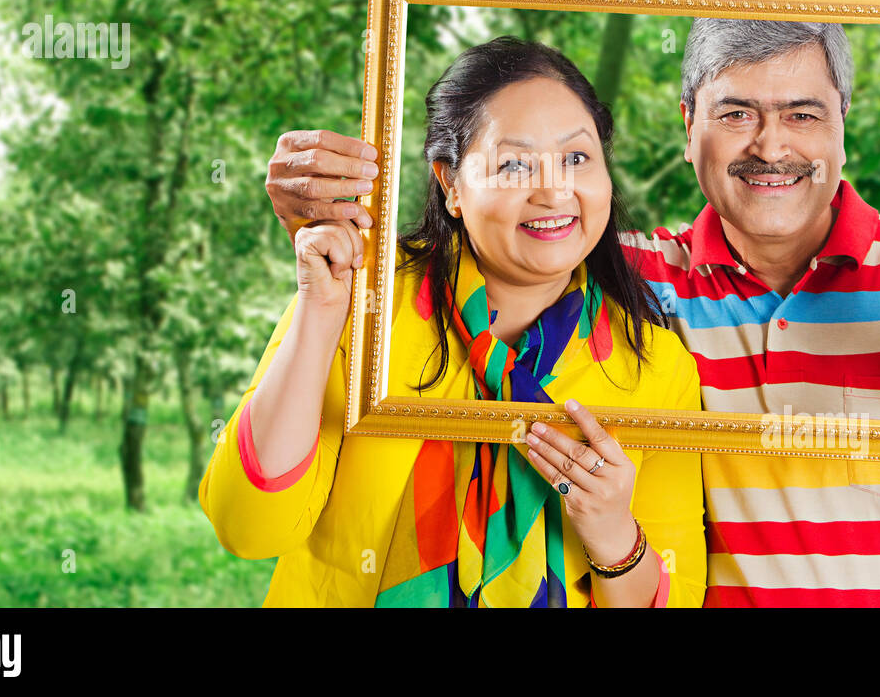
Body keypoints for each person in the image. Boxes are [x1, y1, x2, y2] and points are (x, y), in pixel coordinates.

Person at [264, 18, 880, 607]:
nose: (770, 146)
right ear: (687, 125)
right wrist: (325, 217)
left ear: (845, 128)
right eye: (736, 113)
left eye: (803, 113)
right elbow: (473, 251)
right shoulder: (626, 280)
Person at [201, 36, 706, 607]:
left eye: (576, 157)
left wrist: (613, 533)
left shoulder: (656, 368)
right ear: (450, 185)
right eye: (514, 163)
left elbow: (679, 594)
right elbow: (248, 528)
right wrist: (320, 315)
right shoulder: (364, 301)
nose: (554, 190)